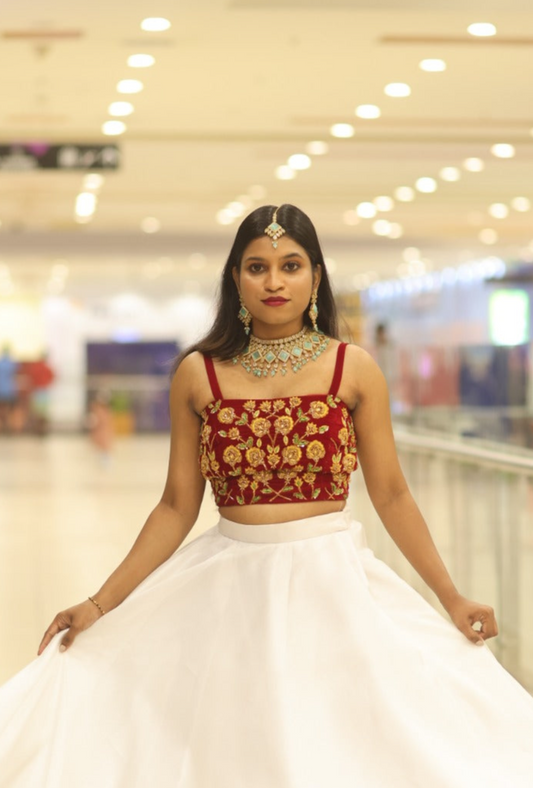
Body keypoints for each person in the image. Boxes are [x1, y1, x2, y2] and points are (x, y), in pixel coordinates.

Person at [1, 204, 532, 788]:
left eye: (290, 265)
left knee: (347, 741)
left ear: (316, 277)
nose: (274, 281)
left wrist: (451, 597)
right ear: (235, 278)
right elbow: (178, 505)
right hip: (226, 588)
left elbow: (392, 493)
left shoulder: (351, 369)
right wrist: (100, 603)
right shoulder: (198, 373)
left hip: (333, 586)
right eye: (256, 266)